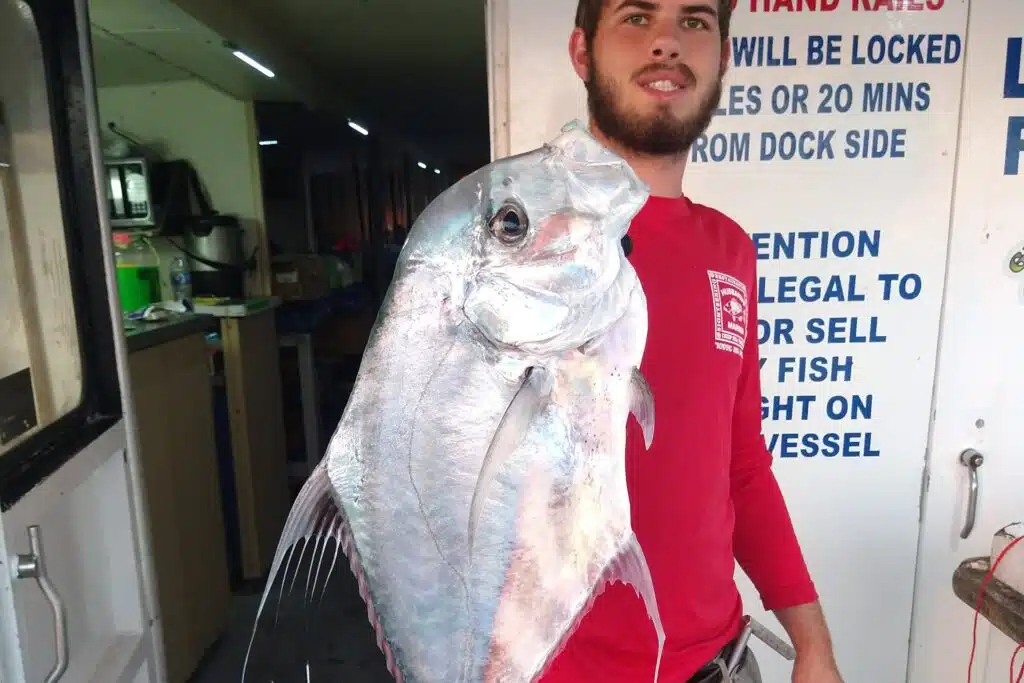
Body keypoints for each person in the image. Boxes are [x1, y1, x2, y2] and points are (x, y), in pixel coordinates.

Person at [537, 1, 847, 682]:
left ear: (723, 57)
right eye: (637, 18)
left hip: (718, 664)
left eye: (696, 22)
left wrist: (811, 639)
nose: (667, 42)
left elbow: (742, 464)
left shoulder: (729, 250)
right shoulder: (523, 234)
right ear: (583, 52)